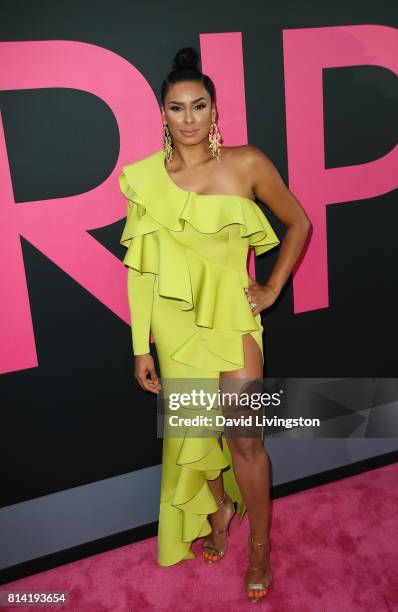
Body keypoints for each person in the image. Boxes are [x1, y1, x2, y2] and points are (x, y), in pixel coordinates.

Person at [118, 46, 310, 603]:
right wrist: (140, 345)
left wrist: (272, 287)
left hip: (232, 319)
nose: (189, 119)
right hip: (172, 328)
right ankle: (221, 510)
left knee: (246, 437)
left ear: (214, 109)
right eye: (177, 109)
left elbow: (298, 221)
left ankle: (261, 547)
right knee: (195, 434)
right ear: (162, 114)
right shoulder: (147, 179)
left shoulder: (246, 164)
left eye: (199, 106)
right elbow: (140, 272)